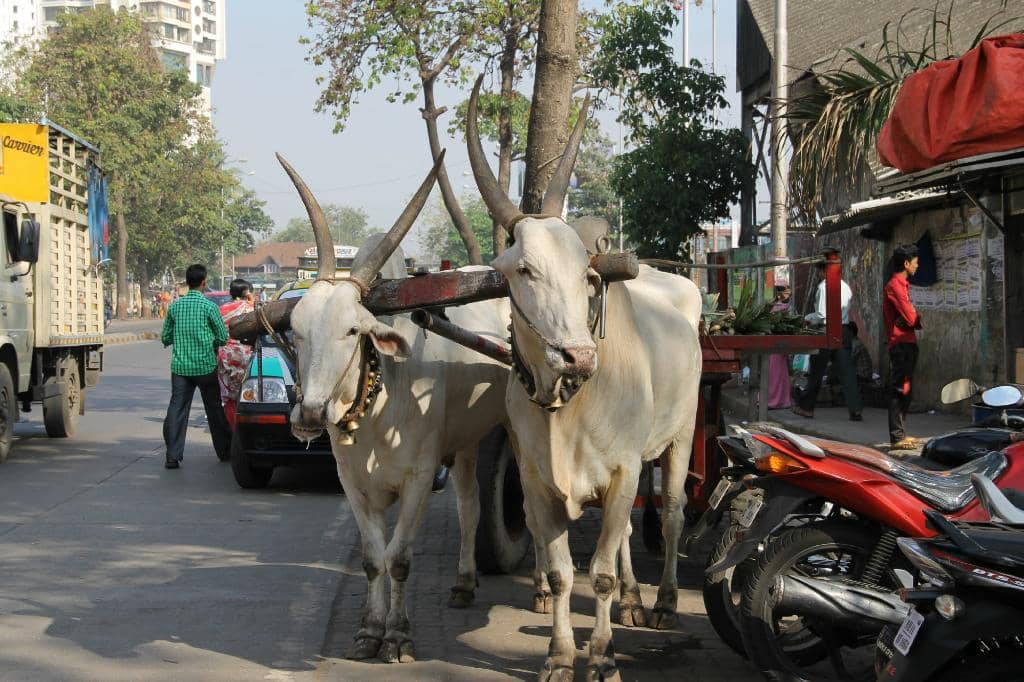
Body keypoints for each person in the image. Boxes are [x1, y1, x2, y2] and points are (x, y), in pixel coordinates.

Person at [161, 264, 231, 469]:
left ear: (187, 282)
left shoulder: (174, 307)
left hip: (180, 368)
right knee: (214, 409)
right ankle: (225, 452)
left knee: (177, 409)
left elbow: (165, 337)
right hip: (206, 366)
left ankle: (172, 456)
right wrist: (211, 344)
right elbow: (222, 337)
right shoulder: (210, 307)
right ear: (203, 282)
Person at [792, 265, 864, 421]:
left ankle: (806, 408)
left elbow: (822, 315)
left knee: (816, 371)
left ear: (823, 271)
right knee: (848, 372)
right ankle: (856, 409)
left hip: (826, 331)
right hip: (843, 330)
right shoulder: (845, 286)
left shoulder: (824, 287)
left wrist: (808, 318)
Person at [884, 244, 922, 450]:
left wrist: (912, 318)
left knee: (906, 389)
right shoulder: (896, 286)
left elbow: (911, 318)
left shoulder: (902, 286)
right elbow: (911, 317)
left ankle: (901, 434)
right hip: (901, 346)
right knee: (900, 389)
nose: (917, 266)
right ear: (906, 263)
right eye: (915, 262)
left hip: (907, 344)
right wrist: (913, 318)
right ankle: (897, 436)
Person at [217, 279, 255, 430]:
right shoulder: (249, 308)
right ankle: (247, 430)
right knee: (247, 394)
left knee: (229, 397)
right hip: (245, 356)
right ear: (246, 292)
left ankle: (234, 431)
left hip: (225, 356)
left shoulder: (221, 309)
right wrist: (252, 301)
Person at [767, 285, 793, 409]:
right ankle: (777, 400)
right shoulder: (779, 307)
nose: (788, 295)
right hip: (777, 343)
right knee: (777, 373)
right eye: (786, 292)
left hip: (779, 344)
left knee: (779, 373)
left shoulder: (778, 306)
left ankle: (779, 400)